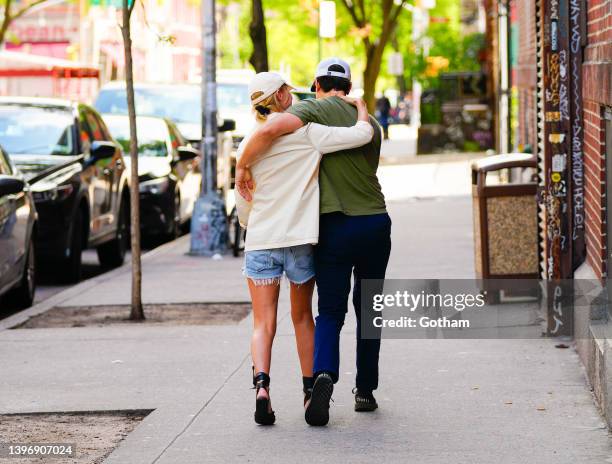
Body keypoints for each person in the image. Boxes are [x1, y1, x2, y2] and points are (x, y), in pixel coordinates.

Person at [236, 58, 391, 427]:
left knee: (322, 313)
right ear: (348, 86)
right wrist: (363, 112)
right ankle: (359, 390)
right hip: (366, 224)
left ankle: (303, 378)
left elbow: (266, 138)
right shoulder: (354, 126)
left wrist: (241, 165)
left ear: (317, 85)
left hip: (315, 231)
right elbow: (362, 137)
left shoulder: (302, 116)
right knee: (361, 308)